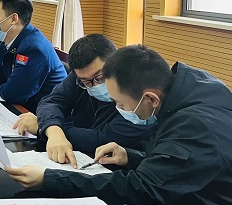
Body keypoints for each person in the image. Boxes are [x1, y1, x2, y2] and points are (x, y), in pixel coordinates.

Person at [6, 45, 232, 205]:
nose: (118, 109)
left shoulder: (194, 124)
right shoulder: (178, 103)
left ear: (151, 99)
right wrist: (130, 157)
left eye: (121, 104)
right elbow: (175, 169)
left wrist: (50, 179)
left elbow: (143, 189)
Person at [13, 34, 153, 165]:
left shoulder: (136, 92)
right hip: (82, 157)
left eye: (100, 77)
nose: (95, 85)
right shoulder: (81, 76)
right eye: (86, 82)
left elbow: (104, 138)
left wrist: (42, 128)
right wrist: (53, 130)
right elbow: (53, 101)